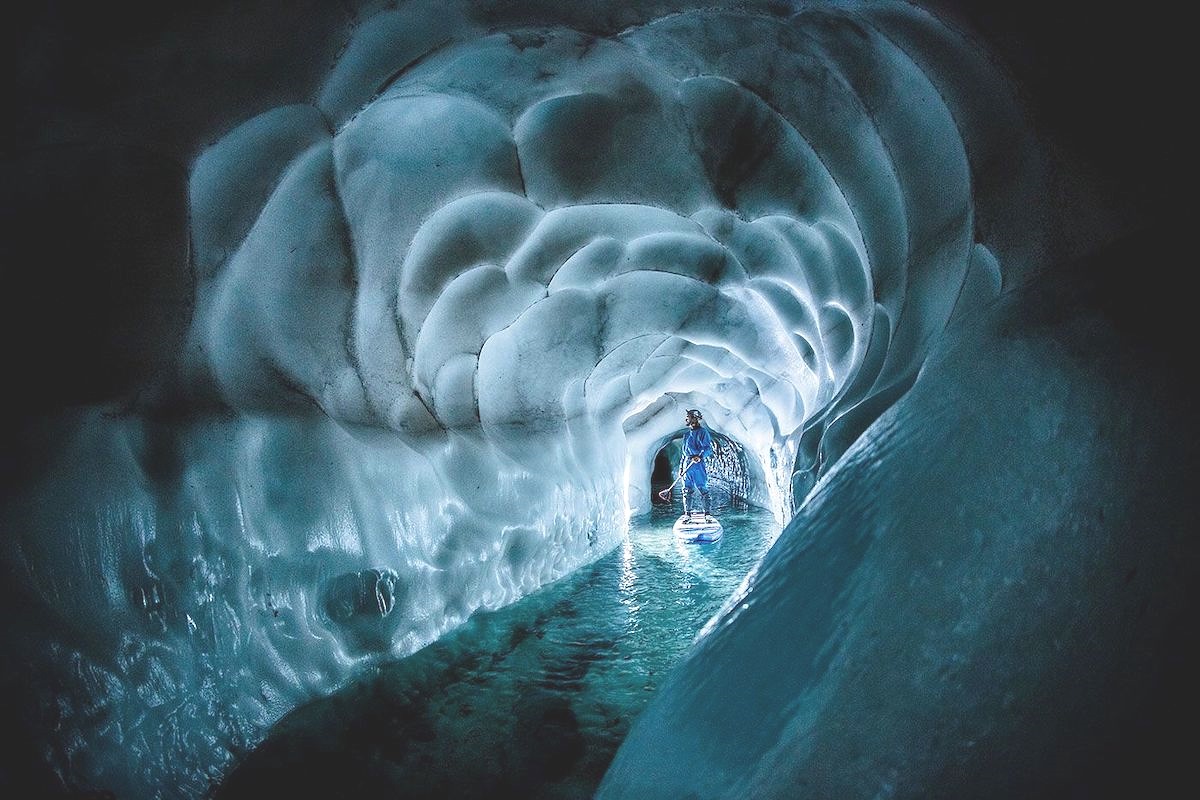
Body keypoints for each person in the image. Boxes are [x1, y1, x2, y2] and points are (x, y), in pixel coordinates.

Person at [680, 408, 713, 518]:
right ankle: (687, 514)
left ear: (695, 418)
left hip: (698, 465)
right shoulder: (686, 435)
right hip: (687, 465)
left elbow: (708, 448)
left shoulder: (703, 433)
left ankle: (707, 514)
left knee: (703, 488)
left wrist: (700, 456)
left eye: (688, 416)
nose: (687, 418)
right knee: (687, 490)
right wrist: (681, 469)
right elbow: (684, 453)